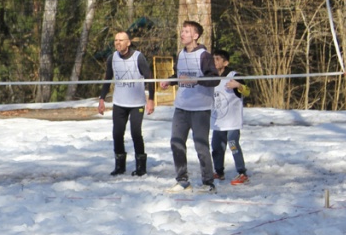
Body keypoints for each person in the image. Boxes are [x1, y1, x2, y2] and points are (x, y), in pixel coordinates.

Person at [159, 20, 219, 194]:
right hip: (181, 107)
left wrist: (195, 80)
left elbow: (214, 79)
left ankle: (208, 183)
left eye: (187, 31)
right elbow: (180, 75)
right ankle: (182, 181)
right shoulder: (181, 54)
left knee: (201, 146)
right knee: (176, 143)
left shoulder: (204, 55)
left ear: (195, 35)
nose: (182, 34)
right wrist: (170, 81)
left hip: (200, 108)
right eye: (182, 31)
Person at [97, 31, 155, 177]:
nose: (118, 43)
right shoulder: (112, 58)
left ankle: (141, 166)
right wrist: (102, 98)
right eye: (116, 40)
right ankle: (119, 166)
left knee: (136, 133)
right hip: (119, 103)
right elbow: (107, 78)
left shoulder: (138, 57)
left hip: (136, 103)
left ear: (128, 43)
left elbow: (149, 78)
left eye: (121, 40)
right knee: (117, 134)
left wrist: (151, 99)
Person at [211, 49, 251, 185]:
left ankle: (242, 173)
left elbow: (247, 91)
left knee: (233, 144)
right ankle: (219, 172)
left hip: (232, 121)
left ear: (225, 62)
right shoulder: (211, 77)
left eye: (217, 59)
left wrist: (238, 85)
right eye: (213, 59)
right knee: (216, 147)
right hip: (218, 121)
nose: (214, 62)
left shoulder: (234, 76)